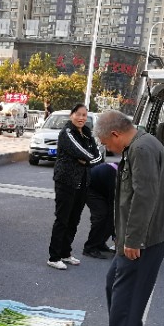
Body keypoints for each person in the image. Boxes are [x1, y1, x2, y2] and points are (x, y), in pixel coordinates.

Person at [88, 110, 164, 326]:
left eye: (106, 142)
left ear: (115, 134)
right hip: (146, 233)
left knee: (126, 288)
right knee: (120, 283)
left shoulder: (141, 149)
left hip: (146, 235)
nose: (107, 147)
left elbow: (144, 197)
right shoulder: (143, 143)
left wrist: (134, 239)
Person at [47, 103, 103, 270]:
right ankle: (54, 256)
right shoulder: (67, 133)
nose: (81, 118)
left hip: (83, 181)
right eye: (78, 114)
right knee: (62, 219)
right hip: (66, 181)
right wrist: (87, 159)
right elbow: (85, 153)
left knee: (74, 219)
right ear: (72, 115)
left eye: (84, 115)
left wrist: (86, 160)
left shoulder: (86, 133)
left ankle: (65, 253)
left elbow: (98, 155)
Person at [82, 160, 117, 258]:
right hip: (89, 188)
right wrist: (115, 236)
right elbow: (113, 206)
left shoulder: (124, 172)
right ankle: (89, 248)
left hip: (102, 188)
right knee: (101, 216)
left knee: (109, 218)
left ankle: (100, 243)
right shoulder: (116, 177)